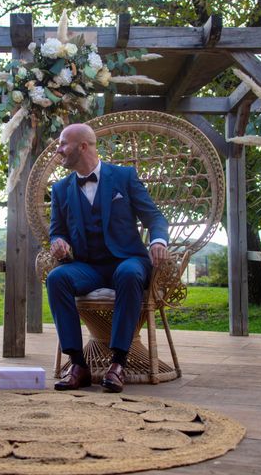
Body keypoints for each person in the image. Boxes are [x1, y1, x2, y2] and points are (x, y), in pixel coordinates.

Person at [47, 124, 169, 393]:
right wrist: (59, 243)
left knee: (128, 274)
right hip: (87, 267)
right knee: (57, 278)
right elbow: (57, 231)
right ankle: (78, 365)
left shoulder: (124, 177)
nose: (58, 150)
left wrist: (159, 240)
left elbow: (155, 217)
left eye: (63, 143)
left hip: (127, 260)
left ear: (83, 146)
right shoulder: (60, 189)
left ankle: (118, 364)